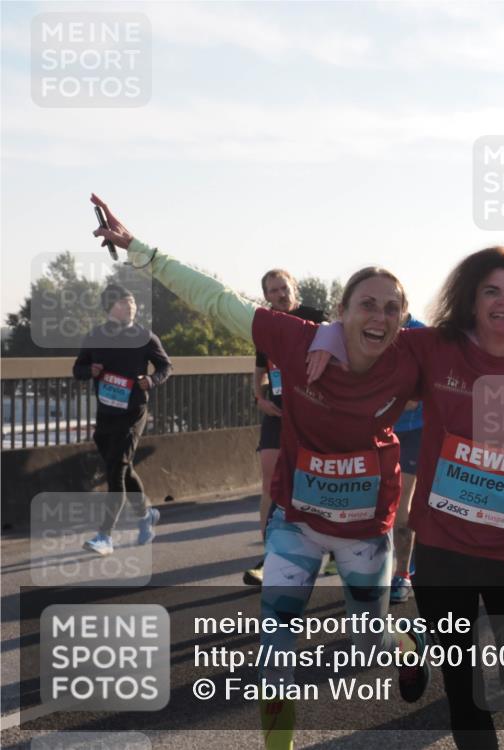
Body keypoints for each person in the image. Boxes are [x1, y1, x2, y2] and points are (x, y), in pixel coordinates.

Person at [90, 194, 432, 750]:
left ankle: (403, 645)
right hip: (296, 523)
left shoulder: (411, 357)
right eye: (366, 304)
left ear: (403, 319)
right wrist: (138, 250)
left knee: (368, 647)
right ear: (340, 311)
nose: (380, 316)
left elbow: (477, 343)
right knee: (276, 650)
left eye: (392, 308)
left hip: (367, 532)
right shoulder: (296, 340)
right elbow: (216, 298)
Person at [308, 246, 504, 750]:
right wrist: (327, 332)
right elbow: (373, 334)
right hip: (443, 549)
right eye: (491, 291)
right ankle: (423, 648)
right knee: (465, 691)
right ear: (471, 299)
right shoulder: (434, 348)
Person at [73, 284, 172, 556]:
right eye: (123, 303)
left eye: (132, 302)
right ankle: (146, 515)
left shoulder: (144, 337)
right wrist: (89, 370)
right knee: (123, 469)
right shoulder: (95, 336)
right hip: (106, 415)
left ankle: (104, 536)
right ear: (109, 308)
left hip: (133, 413)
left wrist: (151, 380)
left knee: (116, 471)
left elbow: (166, 366)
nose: (131, 306)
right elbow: (77, 368)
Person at [244, 269, 328, 586]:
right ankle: (270, 557)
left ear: (295, 288)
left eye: (284, 288)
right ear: (266, 296)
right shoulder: (265, 326)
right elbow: (259, 369)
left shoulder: (315, 319)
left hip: (311, 417)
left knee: (314, 485)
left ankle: (332, 546)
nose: (280, 294)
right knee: (270, 483)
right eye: (273, 290)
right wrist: (259, 397)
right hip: (278, 414)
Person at [390, 313, 426, 604]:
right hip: (373, 428)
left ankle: (402, 573)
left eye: (392, 305)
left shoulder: (421, 335)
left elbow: (416, 396)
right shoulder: (366, 328)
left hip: (413, 430)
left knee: (403, 501)